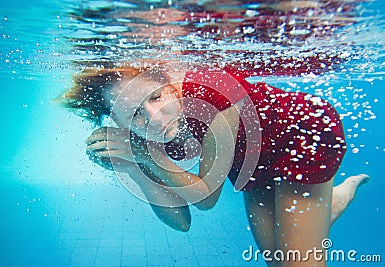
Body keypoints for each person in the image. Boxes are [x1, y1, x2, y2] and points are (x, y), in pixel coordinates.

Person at [58, 61, 368, 267]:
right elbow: (182, 222)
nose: (156, 118)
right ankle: (327, 204)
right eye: (135, 115)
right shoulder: (140, 133)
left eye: (155, 98)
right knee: (278, 259)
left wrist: (141, 154)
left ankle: (324, 201)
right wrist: (132, 167)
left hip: (301, 134)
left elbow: (205, 198)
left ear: (169, 81)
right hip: (252, 159)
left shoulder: (209, 91)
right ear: (118, 120)